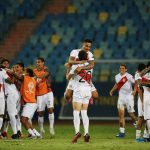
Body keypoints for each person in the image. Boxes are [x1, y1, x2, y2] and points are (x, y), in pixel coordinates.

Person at [66, 50, 92, 143]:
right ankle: (86, 133)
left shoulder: (75, 66)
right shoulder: (89, 66)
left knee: (76, 112)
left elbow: (68, 77)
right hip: (88, 90)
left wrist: (68, 68)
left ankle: (77, 132)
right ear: (86, 57)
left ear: (78, 57)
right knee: (84, 112)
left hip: (79, 90)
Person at [9, 68, 40, 138]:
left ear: (27, 74)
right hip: (32, 102)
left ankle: (32, 134)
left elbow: (19, 77)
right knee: (26, 120)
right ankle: (36, 134)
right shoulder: (33, 80)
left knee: (23, 120)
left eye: (24, 72)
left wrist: (12, 72)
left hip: (30, 103)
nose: (23, 72)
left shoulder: (26, 78)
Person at [64, 39, 99, 103]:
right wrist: (79, 62)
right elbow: (70, 61)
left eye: (89, 46)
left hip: (84, 76)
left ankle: (89, 97)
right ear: (83, 44)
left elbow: (92, 65)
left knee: (96, 96)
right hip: (75, 76)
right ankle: (70, 96)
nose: (88, 48)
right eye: (86, 46)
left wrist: (82, 67)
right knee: (67, 96)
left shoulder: (90, 54)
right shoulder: (75, 51)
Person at [109, 64, 137, 138]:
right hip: (121, 97)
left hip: (129, 97)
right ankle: (122, 132)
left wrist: (134, 90)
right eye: (120, 68)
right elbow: (117, 84)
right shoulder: (117, 76)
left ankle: (137, 124)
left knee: (131, 114)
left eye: (123, 68)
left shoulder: (129, 76)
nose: (121, 69)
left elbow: (136, 83)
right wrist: (112, 90)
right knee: (121, 115)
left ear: (126, 69)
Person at [34, 57, 55, 138]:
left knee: (50, 109)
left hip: (48, 92)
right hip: (39, 94)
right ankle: (41, 130)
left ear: (43, 63)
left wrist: (36, 77)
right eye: (37, 62)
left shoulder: (46, 70)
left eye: (39, 62)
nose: (38, 64)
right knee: (40, 113)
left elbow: (44, 75)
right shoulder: (34, 71)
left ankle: (51, 128)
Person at [1, 59, 20, 139]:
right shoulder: (6, 71)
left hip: (11, 94)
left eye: (7, 63)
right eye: (4, 63)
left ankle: (16, 133)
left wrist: (12, 72)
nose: (6, 65)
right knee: (13, 114)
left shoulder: (6, 71)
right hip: (12, 94)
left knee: (11, 114)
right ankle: (17, 131)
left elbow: (12, 81)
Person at [134, 63, 148, 142]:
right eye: (145, 69)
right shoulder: (140, 76)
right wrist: (142, 102)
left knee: (145, 118)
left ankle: (145, 136)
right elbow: (139, 90)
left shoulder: (139, 75)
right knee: (141, 118)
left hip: (143, 99)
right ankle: (138, 137)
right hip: (142, 99)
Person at [0, 66, 12, 139]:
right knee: (1, 115)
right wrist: (12, 73)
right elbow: (11, 81)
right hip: (0, 96)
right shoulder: (2, 71)